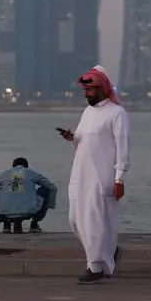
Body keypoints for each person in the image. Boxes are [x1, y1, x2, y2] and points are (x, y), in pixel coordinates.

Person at [59, 65, 130, 285]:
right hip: (80, 175)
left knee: (95, 222)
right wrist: (72, 138)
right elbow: (83, 140)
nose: (87, 94)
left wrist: (119, 179)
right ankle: (108, 251)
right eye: (85, 91)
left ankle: (96, 266)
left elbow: (122, 148)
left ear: (102, 89)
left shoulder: (117, 113)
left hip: (102, 177)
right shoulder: (87, 112)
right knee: (75, 221)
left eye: (90, 91)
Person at [0, 157, 58, 234]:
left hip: (5, 212)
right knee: (46, 190)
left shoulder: (5, 173)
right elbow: (52, 187)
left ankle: (6, 224)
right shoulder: (30, 172)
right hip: (28, 211)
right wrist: (50, 205)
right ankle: (34, 224)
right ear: (26, 166)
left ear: (13, 166)